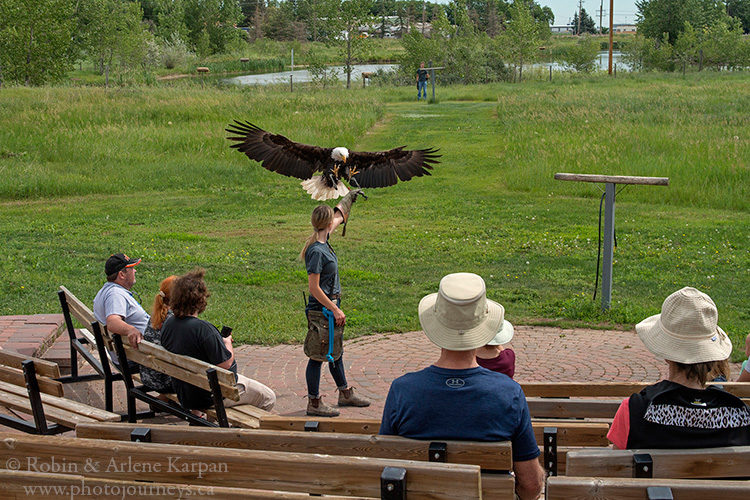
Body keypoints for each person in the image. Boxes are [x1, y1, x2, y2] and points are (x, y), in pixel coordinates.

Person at [379, 272, 544, 500]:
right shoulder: (509, 394)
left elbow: (385, 465)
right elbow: (531, 486)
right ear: (484, 327)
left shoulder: (403, 390)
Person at [607, 287, 750, 450]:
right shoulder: (740, 416)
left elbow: (618, 467)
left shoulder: (635, 409)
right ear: (710, 356)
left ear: (667, 353)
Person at [161, 268, 275, 415]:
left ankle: (211, 425)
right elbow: (225, 364)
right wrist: (227, 343)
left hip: (185, 391)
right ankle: (235, 433)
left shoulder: (169, 324)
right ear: (200, 299)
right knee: (268, 397)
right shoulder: (204, 329)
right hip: (209, 395)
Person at [301, 190, 371, 417]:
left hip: (330, 310)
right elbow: (314, 288)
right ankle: (314, 403)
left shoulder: (324, 236)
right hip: (322, 311)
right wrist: (335, 308)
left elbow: (340, 215)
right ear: (327, 223)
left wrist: (349, 197)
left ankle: (345, 393)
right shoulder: (316, 252)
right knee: (317, 356)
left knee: (335, 352)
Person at [93, 253, 149, 357]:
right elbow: (112, 322)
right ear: (122, 275)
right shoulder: (115, 295)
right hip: (139, 357)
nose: (135, 271)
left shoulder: (107, 290)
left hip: (131, 351)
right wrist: (130, 330)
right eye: (131, 268)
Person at [140, 275, 178, 396]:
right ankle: (196, 412)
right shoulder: (176, 321)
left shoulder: (156, 315)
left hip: (148, 375)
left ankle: (164, 399)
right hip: (166, 381)